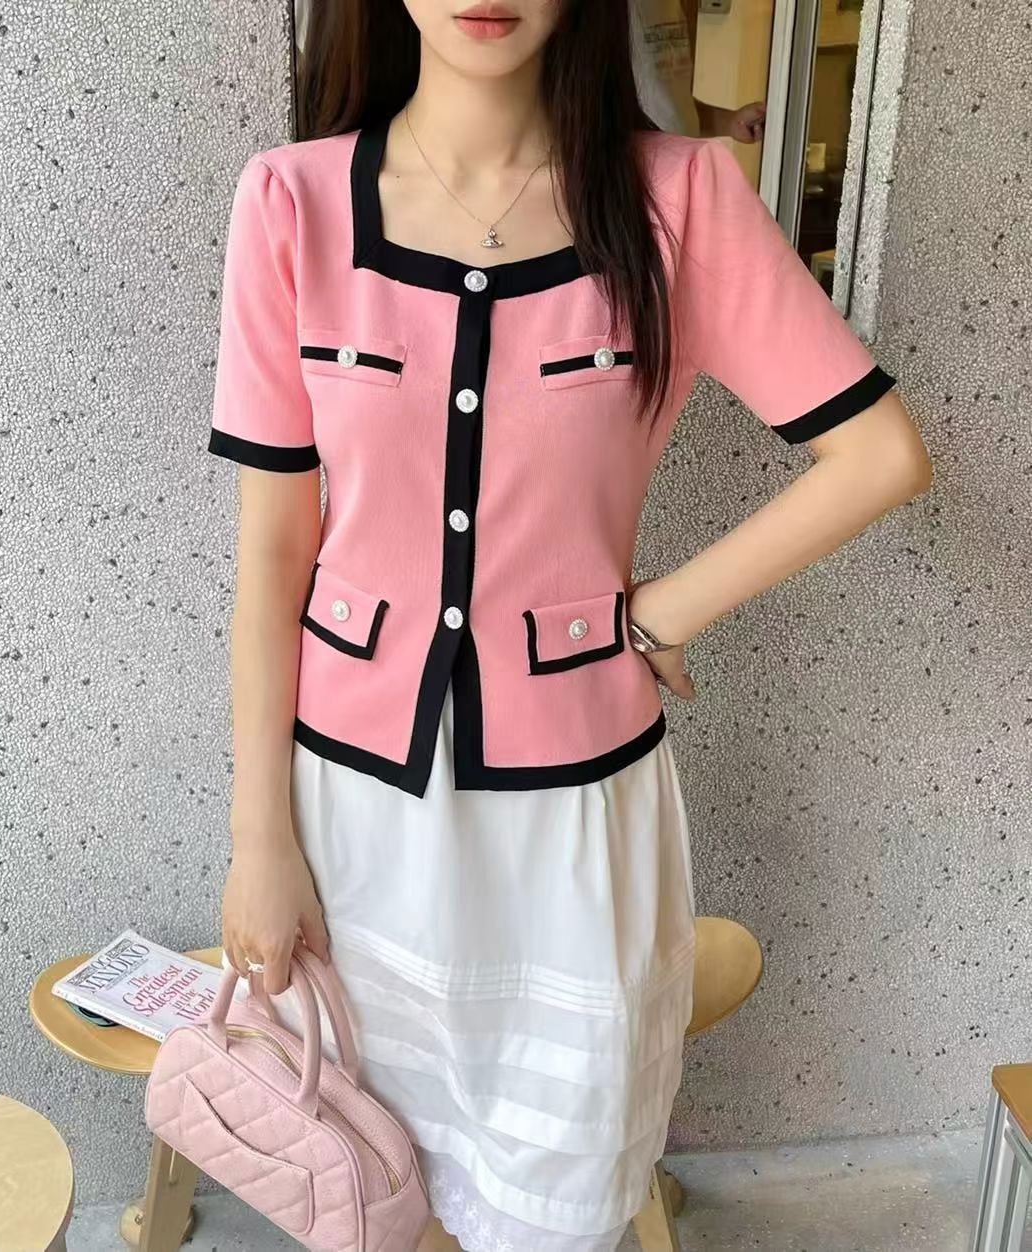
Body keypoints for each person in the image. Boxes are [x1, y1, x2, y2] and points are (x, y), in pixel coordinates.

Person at [208, 3, 932, 1250]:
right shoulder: (293, 203)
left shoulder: (680, 202)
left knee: (557, 1200)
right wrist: (257, 839)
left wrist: (663, 609)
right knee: (366, 1185)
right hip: (353, 819)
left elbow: (878, 455)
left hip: (573, 826)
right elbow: (273, 558)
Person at [631, 0, 767, 141]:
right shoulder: (621, 13)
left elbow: (672, 108)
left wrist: (730, 122)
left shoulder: (668, 6)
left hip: (679, 151)